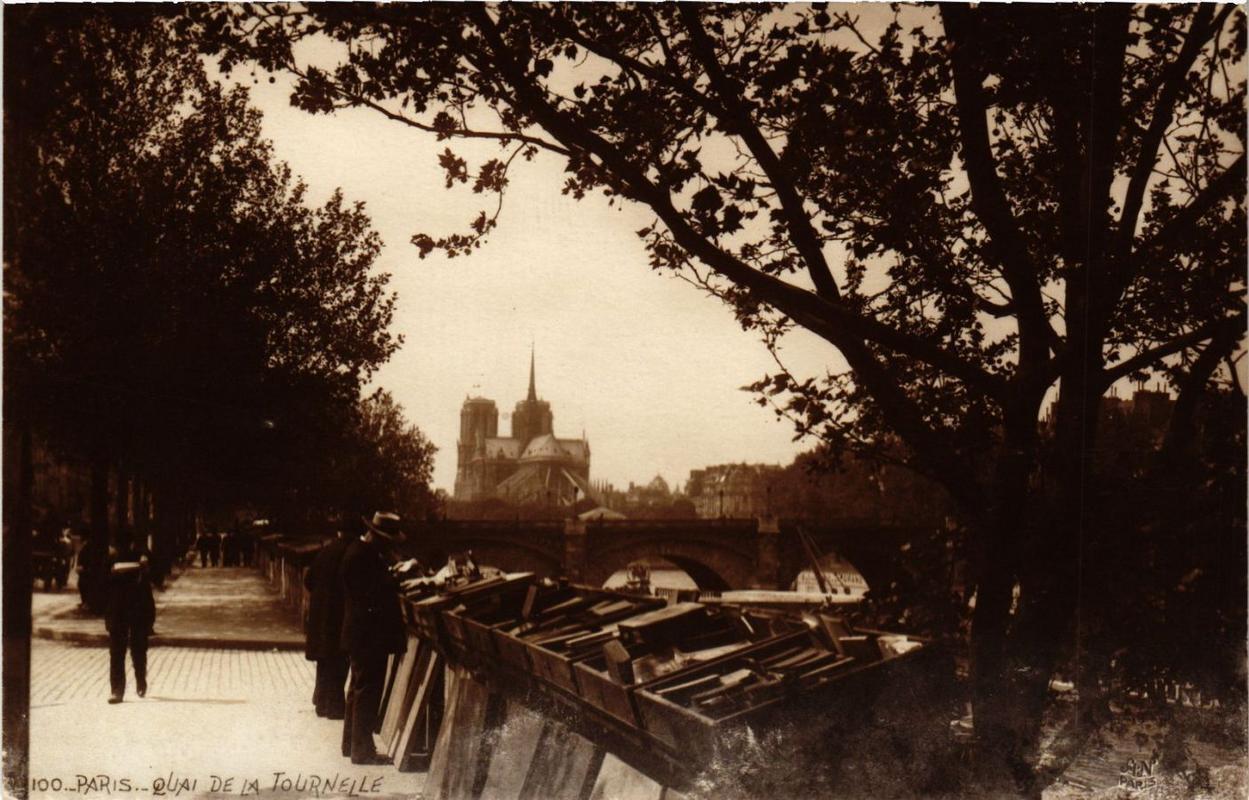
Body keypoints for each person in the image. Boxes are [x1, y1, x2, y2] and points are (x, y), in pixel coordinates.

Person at [339, 512, 407, 765]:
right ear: (378, 536)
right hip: (368, 635)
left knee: (357, 688)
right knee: (367, 690)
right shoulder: (362, 556)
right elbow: (372, 595)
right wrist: (395, 578)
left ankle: (351, 745)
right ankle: (362, 751)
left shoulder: (359, 552)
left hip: (359, 634)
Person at [105, 527, 155, 704]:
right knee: (134, 649)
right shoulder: (110, 560)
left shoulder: (141, 558)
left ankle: (119, 689)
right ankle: (135, 683)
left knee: (120, 652)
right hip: (129, 610)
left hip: (128, 610)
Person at [305, 528, 350, 719]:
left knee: (323, 660)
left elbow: (308, 580)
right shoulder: (349, 553)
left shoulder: (325, 551)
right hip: (337, 614)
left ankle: (321, 702)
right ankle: (334, 706)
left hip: (320, 613)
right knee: (338, 660)